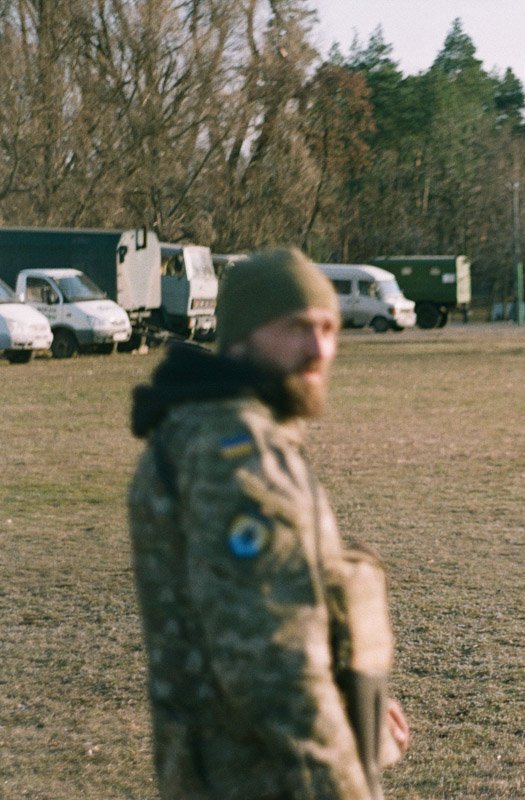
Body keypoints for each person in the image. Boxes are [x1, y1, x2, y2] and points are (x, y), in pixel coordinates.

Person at [128, 247, 410, 800]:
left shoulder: (199, 426)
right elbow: (275, 673)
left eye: (330, 329)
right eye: (297, 328)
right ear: (241, 337)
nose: (319, 349)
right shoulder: (236, 455)